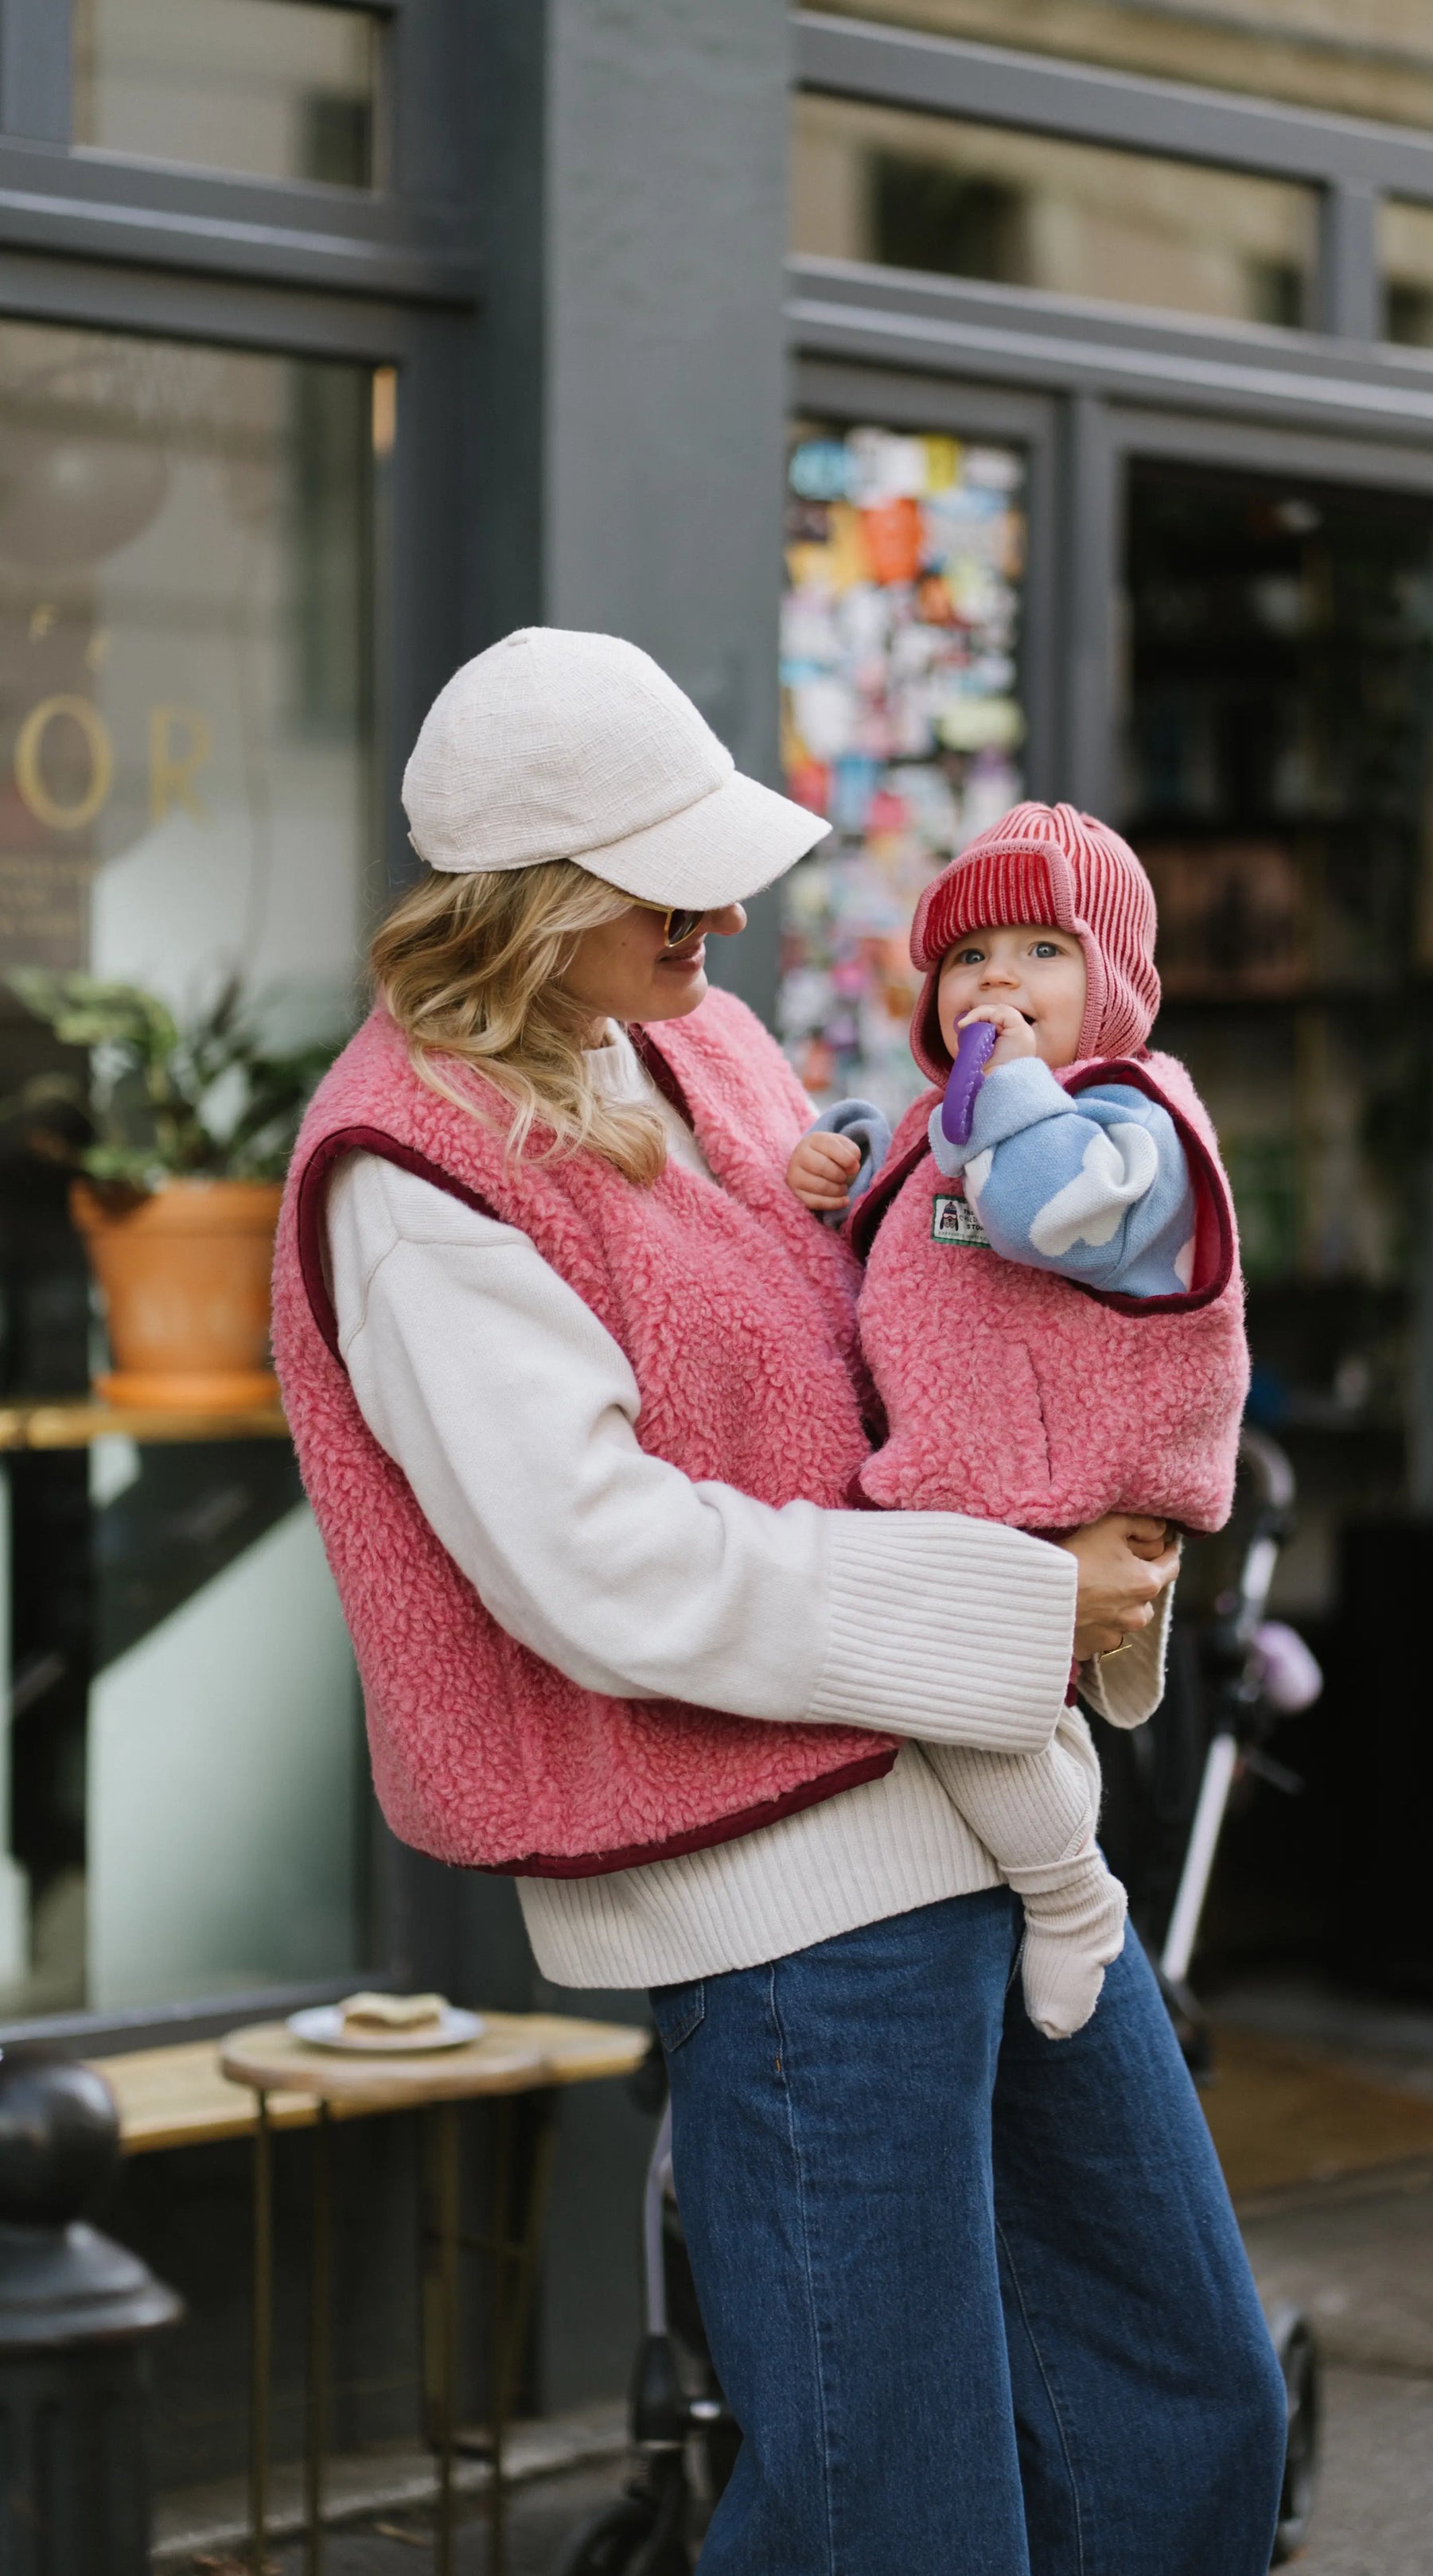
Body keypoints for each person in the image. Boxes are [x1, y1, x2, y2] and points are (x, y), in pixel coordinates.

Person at [272, 628, 1287, 2576]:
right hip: (787, 1890)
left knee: (1186, 2415)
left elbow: (886, 1323)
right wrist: (1025, 1597)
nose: (728, 915)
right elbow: (606, 1569)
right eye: (675, 884)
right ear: (538, 896)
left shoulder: (697, 1038)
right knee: (894, 2518)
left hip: (987, 1804)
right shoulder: (406, 1171)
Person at [785, 803, 1248, 2041]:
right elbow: (910, 1232)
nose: (997, 978)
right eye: (968, 955)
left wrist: (992, 1096)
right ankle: (1056, 1886)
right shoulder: (968, 1118)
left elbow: (1045, 1212)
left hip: (1067, 1488)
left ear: (1115, 984)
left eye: (1044, 950)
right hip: (969, 1488)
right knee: (974, 1716)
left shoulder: (1135, 1122)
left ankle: (1072, 1894)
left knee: (979, 1711)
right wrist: (854, 1157)